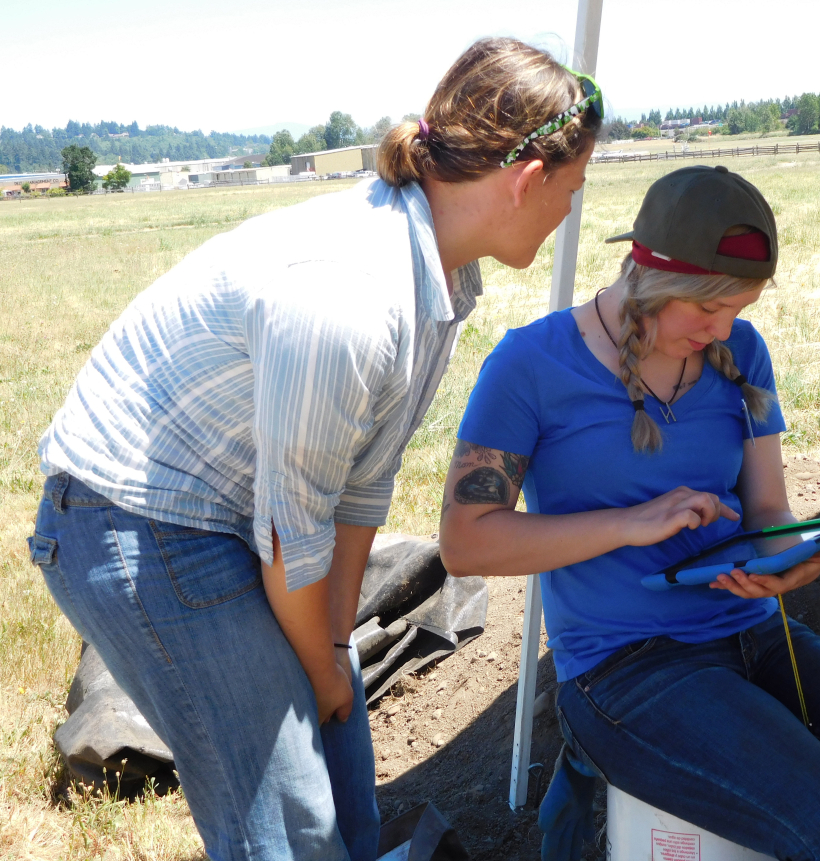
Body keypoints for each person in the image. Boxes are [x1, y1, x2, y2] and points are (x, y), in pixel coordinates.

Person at [27, 38, 603, 861]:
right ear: (526, 180)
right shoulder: (351, 300)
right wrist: (324, 667)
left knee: (340, 742)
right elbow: (290, 537)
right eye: (572, 189)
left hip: (240, 512)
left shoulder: (438, 275)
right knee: (290, 816)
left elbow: (362, 489)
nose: (570, 211)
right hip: (133, 518)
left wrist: (334, 651)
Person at [440, 165, 820, 861]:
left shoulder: (742, 353)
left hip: (756, 633)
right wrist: (629, 523)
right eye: (705, 309)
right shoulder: (528, 365)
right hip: (625, 669)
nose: (724, 328)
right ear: (647, 277)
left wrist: (787, 560)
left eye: (738, 309)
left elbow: (768, 507)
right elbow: (464, 543)